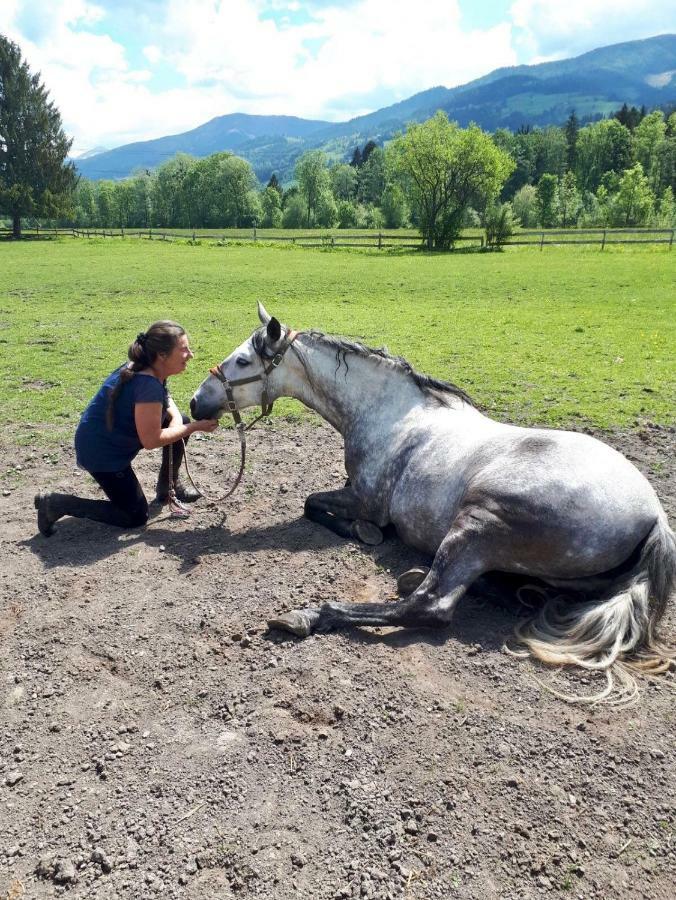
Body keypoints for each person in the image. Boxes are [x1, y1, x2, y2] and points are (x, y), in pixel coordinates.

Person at [34, 320, 218, 536]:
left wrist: (178, 420)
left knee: (181, 422)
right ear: (162, 355)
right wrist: (194, 427)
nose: (191, 354)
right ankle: (56, 504)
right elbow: (151, 441)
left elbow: (164, 395)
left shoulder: (144, 367)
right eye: (184, 349)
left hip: (106, 440)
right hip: (103, 455)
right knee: (134, 516)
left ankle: (167, 489)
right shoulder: (146, 383)